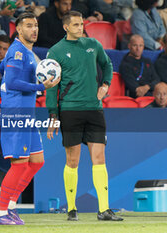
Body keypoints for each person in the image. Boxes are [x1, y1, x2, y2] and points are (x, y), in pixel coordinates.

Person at [46, 11, 123, 221]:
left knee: (99, 158)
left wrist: (106, 85)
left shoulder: (93, 44)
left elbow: (107, 65)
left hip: (94, 109)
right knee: (72, 160)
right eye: (76, 25)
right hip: (70, 110)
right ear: (66, 27)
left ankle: (104, 209)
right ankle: (71, 209)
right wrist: (53, 113)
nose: (81, 28)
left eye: (82, 24)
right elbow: (51, 86)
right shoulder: (56, 51)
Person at [0, 12, 60, 225]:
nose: (34, 29)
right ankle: (1, 212)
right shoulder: (18, 52)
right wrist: (42, 87)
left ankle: (11, 206)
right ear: (18, 29)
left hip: (26, 115)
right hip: (16, 114)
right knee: (19, 165)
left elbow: (2, 70)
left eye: (36, 25)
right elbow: (11, 82)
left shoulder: (28, 53)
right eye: (29, 25)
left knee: (37, 161)